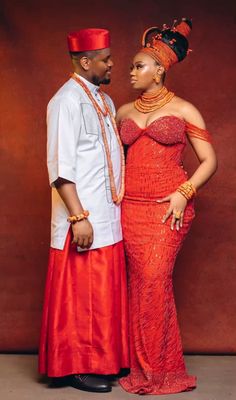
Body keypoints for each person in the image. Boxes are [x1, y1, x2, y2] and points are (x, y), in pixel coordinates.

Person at [116, 19, 217, 395]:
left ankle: (162, 371)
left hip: (168, 208)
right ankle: (140, 367)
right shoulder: (123, 112)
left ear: (159, 70)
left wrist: (184, 192)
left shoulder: (185, 110)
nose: (131, 71)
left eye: (138, 65)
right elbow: (110, 162)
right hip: (130, 209)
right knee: (138, 285)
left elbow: (209, 161)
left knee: (155, 282)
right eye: (130, 66)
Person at [38, 28, 129, 393]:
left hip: (109, 216)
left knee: (102, 298)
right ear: (86, 61)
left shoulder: (104, 101)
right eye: (106, 59)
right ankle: (77, 367)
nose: (112, 64)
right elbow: (60, 166)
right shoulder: (66, 101)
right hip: (84, 217)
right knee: (82, 299)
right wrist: (78, 217)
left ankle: (105, 361)